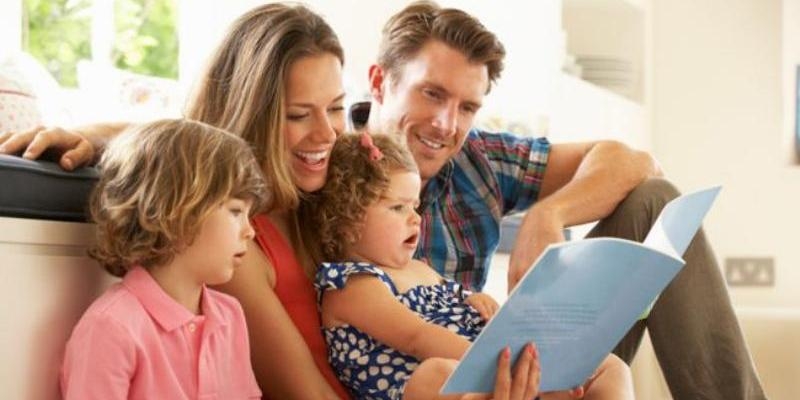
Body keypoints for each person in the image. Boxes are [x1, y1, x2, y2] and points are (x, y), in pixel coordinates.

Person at [0, 3, 540, 399]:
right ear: (254, 116)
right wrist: (95, 138)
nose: (326, 135)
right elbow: (198, 136)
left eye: (333, 108)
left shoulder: (328, 190)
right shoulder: (233, 244)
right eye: (298, 115)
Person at [346, 2, 765, 399]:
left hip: (505, 364)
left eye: (467, 107)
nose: (447, 125)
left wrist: (549, 213)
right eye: (432, 94)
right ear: (381, 82)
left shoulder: (479, 159)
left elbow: (635, 161)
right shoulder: (329, 173)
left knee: (654, 200)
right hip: (421, 382)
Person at [306, 132, 634, 400]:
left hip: (485, 368)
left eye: (416, 205)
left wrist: (478, 302)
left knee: (610, 366)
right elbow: (416, 337)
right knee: (435, 374)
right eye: (397, 207)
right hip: (430, 382)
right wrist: (494, 364)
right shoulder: (350, 284)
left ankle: (537, 387)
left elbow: (459, 300)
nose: (415, 218)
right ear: (347, 222)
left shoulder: (420, 268)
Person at [60, 119, 266, 399]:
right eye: (235, 211)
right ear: (177, 211)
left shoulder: (229, 315)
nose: (249, 231)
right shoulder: (110, 328)